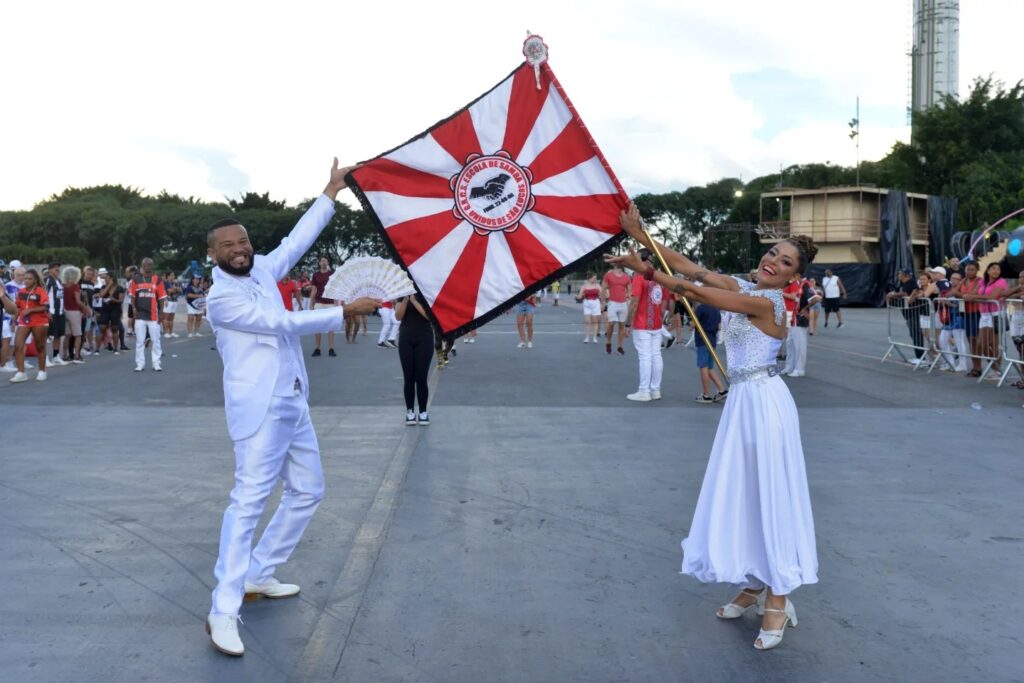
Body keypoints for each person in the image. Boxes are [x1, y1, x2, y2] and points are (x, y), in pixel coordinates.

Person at [610, 203, 817, 651]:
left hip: (765, 404)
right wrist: (643, 237)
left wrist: (645, 271)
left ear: (790, 277)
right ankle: (757, 581)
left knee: (772, 496)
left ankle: (779, 596)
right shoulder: (747, 284)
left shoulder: (767, 302)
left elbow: (692, 289)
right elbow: (688, 267)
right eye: (773, 253)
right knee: (746, 495)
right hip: (742, 401)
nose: (773, 262)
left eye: (785, 262)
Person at [202, 159, 379, 657]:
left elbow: (296, 242)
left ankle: (259, 573)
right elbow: (279, 324)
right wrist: (341, 310)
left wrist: (330, 191)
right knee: (248, 503)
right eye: (228, 246)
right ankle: (223, 608)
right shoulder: (222, 299)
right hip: (259, 411)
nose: (239, 251)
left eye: (243, 242)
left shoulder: (260, 268)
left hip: (293, 399)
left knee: (308, 490)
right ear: (212, 254)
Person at [625, 249, 666, 402]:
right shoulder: (658, 275)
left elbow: (634, 302)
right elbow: (663, 301)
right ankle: (655, 390)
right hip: (656, 322)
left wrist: (628, 323)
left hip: (642, 324)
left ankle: (644, 390)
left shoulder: (639, 275)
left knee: (645, 357)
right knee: (656, 355)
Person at [1, 268, 50, 382]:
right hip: (24, 321)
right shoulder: (21, 291)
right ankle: (21, 372)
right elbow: (17, 307)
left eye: (29, 279)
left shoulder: (40, 291)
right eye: (25, 278)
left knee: (40, 346)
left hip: (39, 321)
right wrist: (14, 320)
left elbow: (45, 307)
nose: (26, 280)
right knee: (18, 346)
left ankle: (42, 371)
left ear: (35, 280)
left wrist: (31, 310)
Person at [964, 262, 1007, 381]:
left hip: (995, 314)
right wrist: (973, 297)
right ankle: (995, 367)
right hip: (984, 315)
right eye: (993, 268)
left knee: (993, 343)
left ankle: (996, 371)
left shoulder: (1001, 282)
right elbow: (973, 294)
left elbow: (993, 297)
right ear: (988, 270)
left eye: (998, 269)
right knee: (981, 344)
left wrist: (974, 298)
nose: (996, 271)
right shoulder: (983, 282)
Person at [395, 294, 433, 424]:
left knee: (421, 377)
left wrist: (414, 301)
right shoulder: (401, 295)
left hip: (425, 337)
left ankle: (423, 412)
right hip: (406, 338)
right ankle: (410, 411)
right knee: (408, 377)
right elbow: (398, 316)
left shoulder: (426, 293)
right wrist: (406, 300)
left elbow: (429, 316)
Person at [129, 257, 167, 372]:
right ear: (142, 266)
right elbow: (132, 296)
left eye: (150, 265)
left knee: (156, 340)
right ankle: (140, 364)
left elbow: (161, 298)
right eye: (145, 265)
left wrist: (161, 312)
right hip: (140, 315)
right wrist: (134, 308)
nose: (147, 267)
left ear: (152, 266)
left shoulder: (158, 279)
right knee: (140, 341)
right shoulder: (135, 279)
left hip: (153, 315)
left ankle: (156, 363)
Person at [885, 269, 925, 365]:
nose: (898, 275)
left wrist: (893, 294)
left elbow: (907, 294)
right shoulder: (903, 283)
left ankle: (921, 358)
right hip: (908, 313)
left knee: (916, 334)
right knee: (913, 334)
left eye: (899, 274)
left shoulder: (910, 282)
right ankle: (919, 357)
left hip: (913, 311)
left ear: (905, 275)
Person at [782, 273, 819, 377]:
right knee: (790, 343)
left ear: (797, 275)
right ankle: (789, 367)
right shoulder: (798, 284)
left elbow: (816, 297)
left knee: (799, 345)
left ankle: (799, 369)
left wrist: (804, 308)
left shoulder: (806, 284)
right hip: (793, 318)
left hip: (800, 319)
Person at [693, 302, 727, 403]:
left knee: (703, 366)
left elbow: (693, 323)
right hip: (712, 340)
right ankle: (721, 390)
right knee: (709, 367)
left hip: (702, 339)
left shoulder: (701, 308)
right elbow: (719, 326)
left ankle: (706, 394)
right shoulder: (716, 309)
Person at [937, 272, 969, 372]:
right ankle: (950, 362)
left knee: (959, 341)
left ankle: (963, 364)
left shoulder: (962, 289)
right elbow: (941, 298)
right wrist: (942, 300)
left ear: (961, 280)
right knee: (942, 340)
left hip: (959, 316)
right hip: (948, 317)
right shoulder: (947, 289)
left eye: (957, 279)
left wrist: (949, 303)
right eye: (953, 278)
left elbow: (962, 304)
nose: (954, 280)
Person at [957, 262, 984, 377]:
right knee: (970, 341)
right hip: (966, 313)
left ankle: (979, 367)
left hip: (976, 313)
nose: (969, 272)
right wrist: (964, 295)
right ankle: (974, 367)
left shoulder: (980, 281)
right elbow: (953, 292)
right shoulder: (963, 280)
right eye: (967, 270)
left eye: (972, 270)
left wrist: (963, 295)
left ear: (977, 270)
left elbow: (973, 294)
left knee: (976, 341)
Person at [61, 266, 90, 364]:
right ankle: (76, 356)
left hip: (65, 311)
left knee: (67, 335)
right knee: (78, 335)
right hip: (74, 311)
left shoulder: (63, 285)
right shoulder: (75, 286)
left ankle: (64, 355)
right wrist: (86, 309)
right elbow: (78, 301)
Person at [310, 257, 338, 355]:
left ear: (328, 262)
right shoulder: (315, 275)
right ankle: (317, 349)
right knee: (318, 326)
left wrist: (337, 303)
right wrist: (311, 303)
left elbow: (336, 288)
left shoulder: (332, 274)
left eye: (325, 260)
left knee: (331, 326)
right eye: (321, 260)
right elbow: (313, 289)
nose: (323, 262)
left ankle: (331, 349)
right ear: (319, 263)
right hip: (319, 302)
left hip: (330, 302)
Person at [602, 264, 631, 355]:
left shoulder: (626, 277)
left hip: (623, 303)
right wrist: (602, 302)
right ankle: (608, 342)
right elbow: (603, 288)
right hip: (612, 303)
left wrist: (630, 299)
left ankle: (620, 347)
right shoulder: (608, 275)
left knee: (621, 325)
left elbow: (630, 290)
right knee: (611, 324)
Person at [1, 266, 26, 372]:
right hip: (7, 316)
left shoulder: (26, 286)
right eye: (18, 275)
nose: (21, 277)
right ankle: (5, 363)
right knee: (7, 339)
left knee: (15, 339)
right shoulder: (8, 284)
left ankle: (8, 362)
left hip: (21, 315)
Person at [44, 262, 68, 365]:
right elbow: (44, 296)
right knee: (47, 336)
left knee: (58, 335)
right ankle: (44, 359)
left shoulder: (58, 281)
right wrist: (46, 311)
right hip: (52, 312)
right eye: (54, 268)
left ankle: (55, 356)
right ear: (49, 270)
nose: (57, 270)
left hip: (60, 312)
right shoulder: (48, 280)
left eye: (58, 268)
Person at [578, 274, 602, 343]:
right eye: (594, 278)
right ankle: (587, 337)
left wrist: (603, 297)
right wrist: (579, 296)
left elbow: (603, 293)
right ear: (589, 278)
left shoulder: (597, 285)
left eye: (596, 278)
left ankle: (594, 337)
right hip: (587, 303)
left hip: (595, 303)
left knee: (595, 321)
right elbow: (580, 296)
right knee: (587, 321)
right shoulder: (584, 286)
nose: (595, 280)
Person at [162, 271, 181, 338]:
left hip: (174, 301)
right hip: (168, 301)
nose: (173, 277)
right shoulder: (165, 283)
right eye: (172, 275)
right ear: (168, 276)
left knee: (171, 318)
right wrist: (176, 289)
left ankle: (171, 332)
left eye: (174, 275)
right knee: (166, 318)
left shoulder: (175, 283)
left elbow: (180, 290)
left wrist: (175, 289)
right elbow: (170, 291)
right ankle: (166, 332)